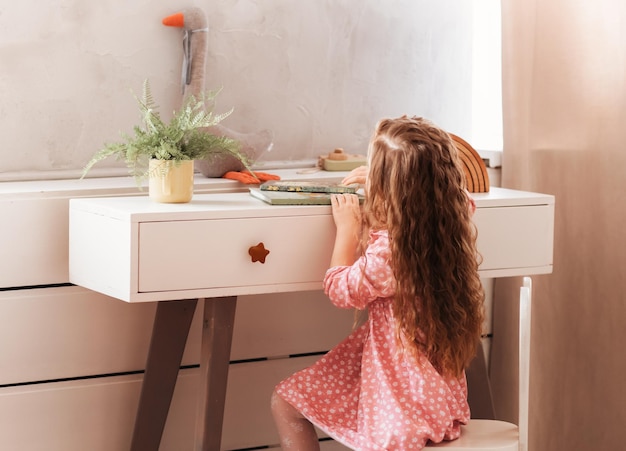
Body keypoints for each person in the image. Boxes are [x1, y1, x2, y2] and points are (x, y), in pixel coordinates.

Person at [271, 116, 485, 450]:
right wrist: (384, 184)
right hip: (430, 392)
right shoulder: (451, 219)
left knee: (285, 403)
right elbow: (456, 196)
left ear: (388, 187)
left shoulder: (391, 253)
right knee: (288, 401)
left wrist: (347, 228)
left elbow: (342, 289)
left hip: (401, 402)